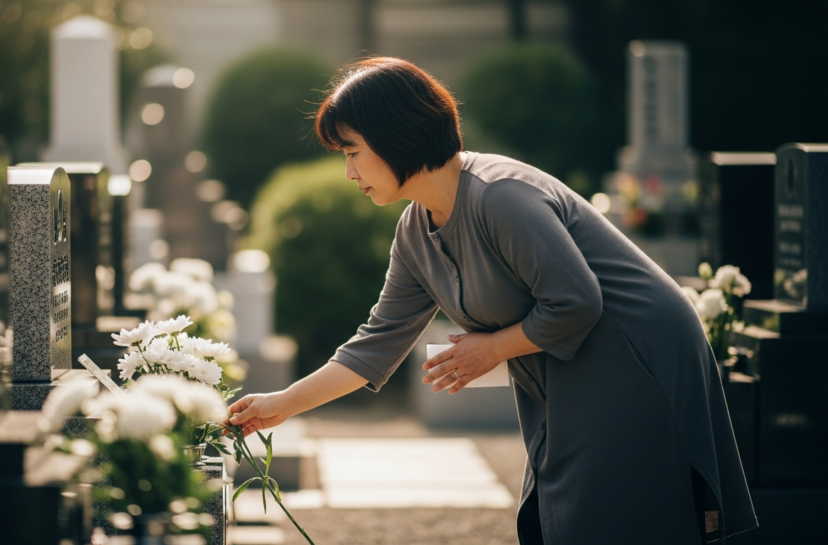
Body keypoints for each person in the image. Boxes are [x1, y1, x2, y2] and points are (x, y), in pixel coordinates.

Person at [227, 57, 757, 544]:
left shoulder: (500, 194)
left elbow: (576, 301)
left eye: (352, 153)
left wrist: (492, 348)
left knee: (609, 520)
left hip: (635, 354)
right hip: (566, 368)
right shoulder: (415, 230)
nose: (349, 173)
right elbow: (374, 345)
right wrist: (280, 405)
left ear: (395, 136)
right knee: (560, 519)